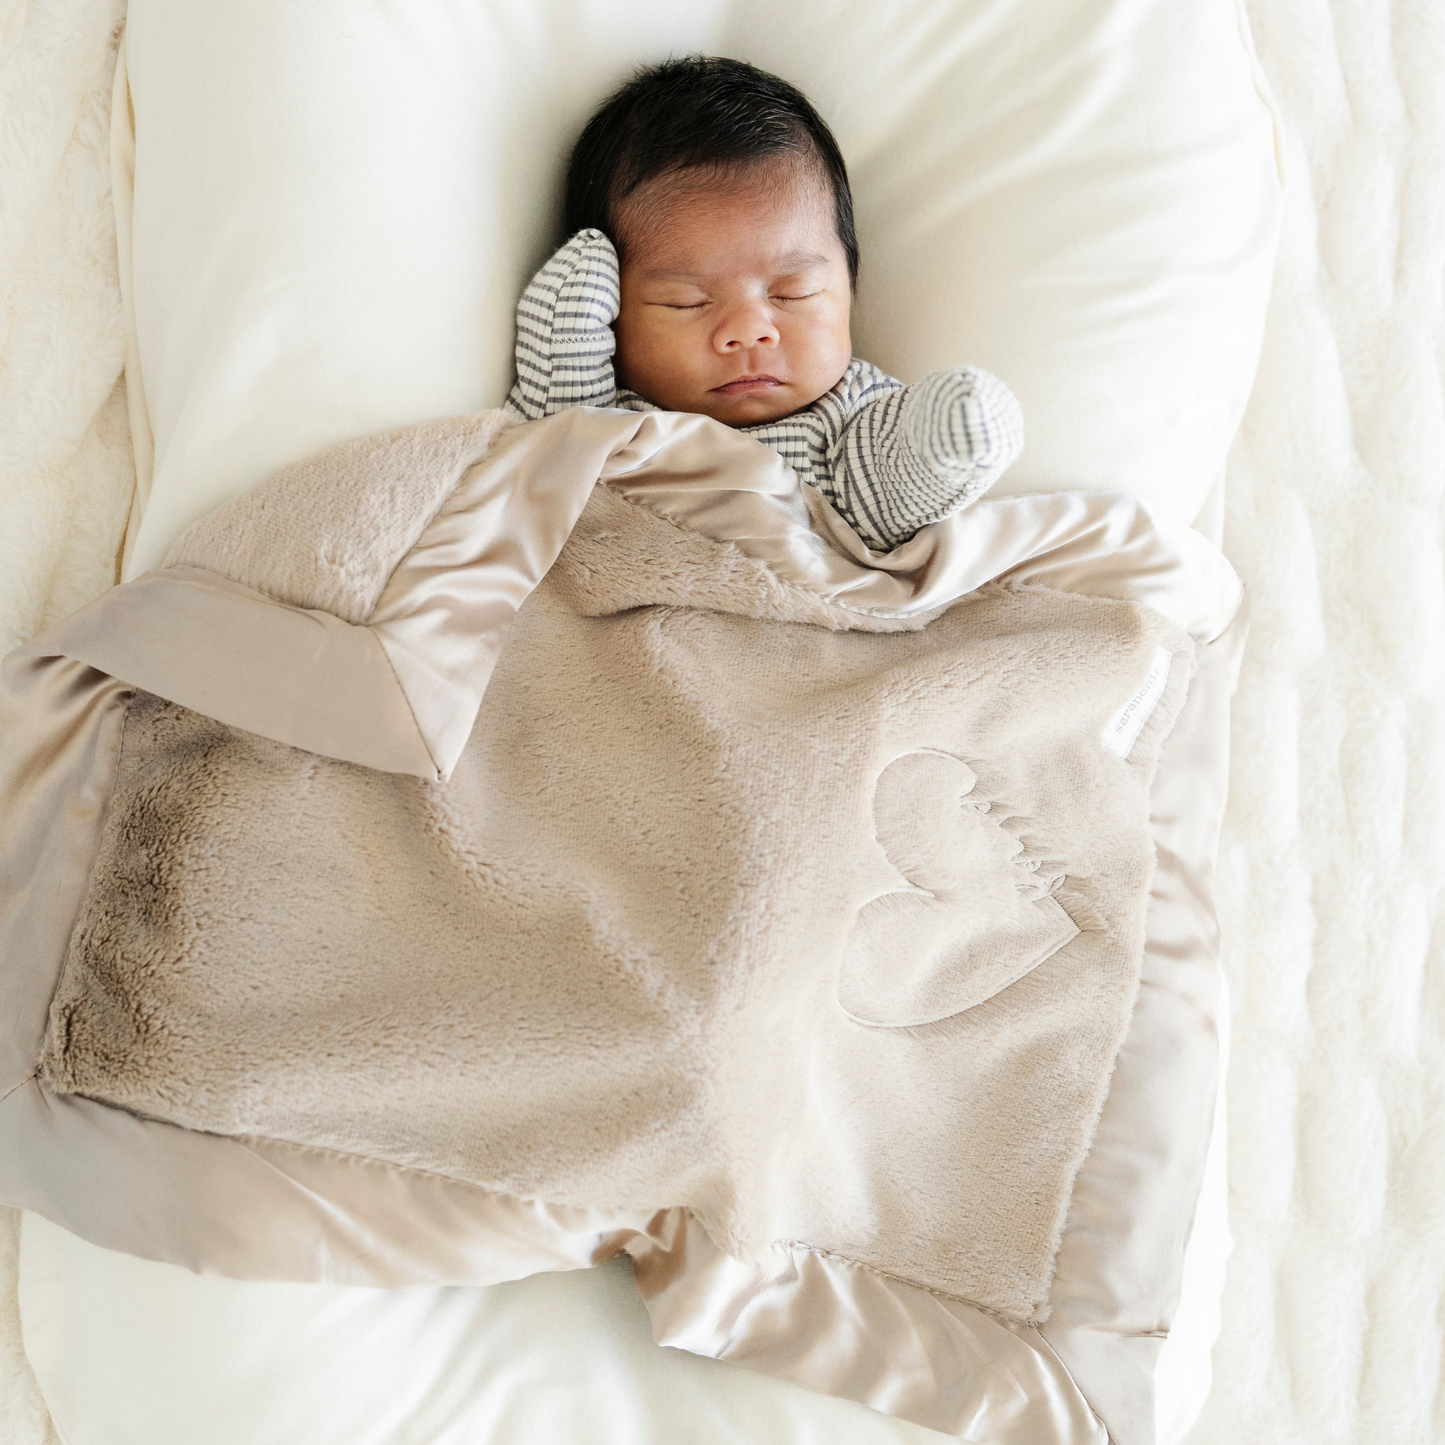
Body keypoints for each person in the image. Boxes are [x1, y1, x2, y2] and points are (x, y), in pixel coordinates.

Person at [506, 55, 1023, 552]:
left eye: (792, 292)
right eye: (685, 302)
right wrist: (565, 335)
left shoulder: (848, 415)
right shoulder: (612, 423)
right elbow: (548, 456)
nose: (750, 332)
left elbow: (890, 493)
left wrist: (951, 435)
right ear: (613, 310)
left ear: (848, 288)